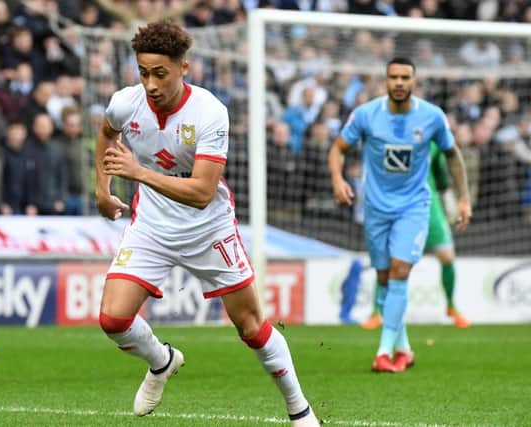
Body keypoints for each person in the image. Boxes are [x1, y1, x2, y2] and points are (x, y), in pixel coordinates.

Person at [95, 21, 320, 426]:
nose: (149, 84)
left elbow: (201, 192)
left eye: (159, 73)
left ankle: (299, 409)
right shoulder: (126, 103)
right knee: (113, 319)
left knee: (251, 326)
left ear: (185, 68)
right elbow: (106, 132)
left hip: (208, 227)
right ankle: (162, 361)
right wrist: (102, 187)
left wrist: (137, 173)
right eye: (143, 73)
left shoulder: (210, 112)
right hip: (152, 226)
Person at [328, 57, 472, 373]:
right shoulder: (366, 115)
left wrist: (463, 199)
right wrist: (338, 180)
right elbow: (338, 148)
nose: (399, 83)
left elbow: (453, 155)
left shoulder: (432, 116)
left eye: (405, 77)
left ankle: (383, 352)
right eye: (393, 77)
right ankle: (404, 348)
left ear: (414, 81)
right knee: (384, 277)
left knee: (400, 269)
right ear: (386, 80)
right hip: (376, 209)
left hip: (414, 206)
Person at [362, 141, 471, 330]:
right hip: (397, 205)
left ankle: (451, 306)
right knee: (387, 262)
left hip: (429, 204)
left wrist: (452, 201)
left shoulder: (434, 143)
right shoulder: (391, 138)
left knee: (447, 256)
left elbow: (441, 178)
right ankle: (377, 311)